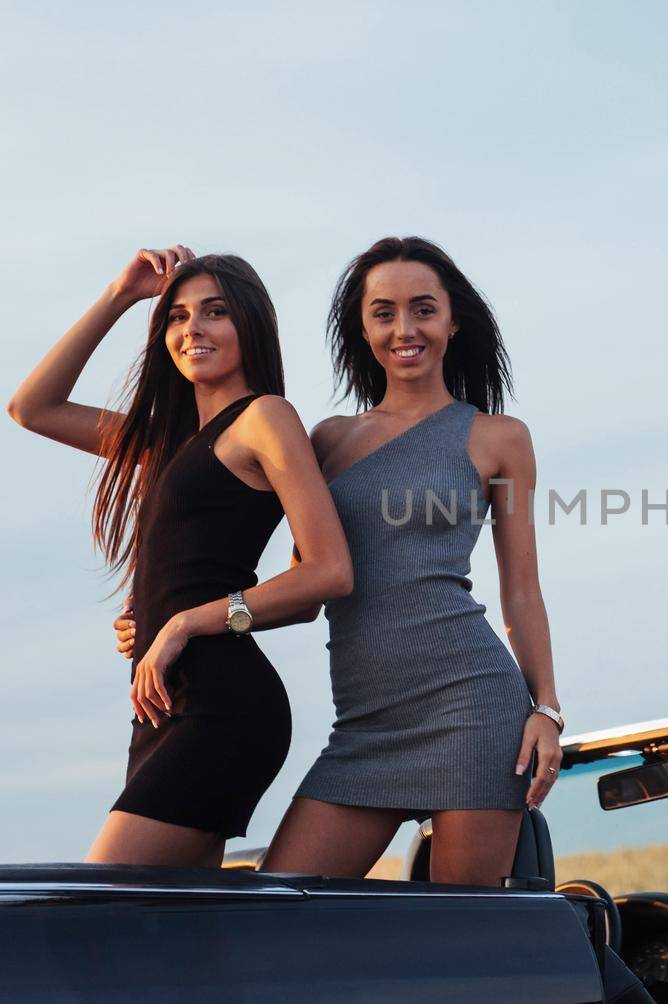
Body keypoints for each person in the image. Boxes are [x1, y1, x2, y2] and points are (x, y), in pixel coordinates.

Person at [118, 237, 565, 885]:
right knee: (275, 918)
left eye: (423, 309)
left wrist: (545, 709)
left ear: (453, 319)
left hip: (473, 710)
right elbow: (306, 593)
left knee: (458, 942)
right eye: (383, 312)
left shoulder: (500, 439)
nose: (404, 329)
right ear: (362, 327)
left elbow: (522, 592)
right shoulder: (326, 440)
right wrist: (187, 618)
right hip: (363, 728)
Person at [10, 246, 352, 868]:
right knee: (173, 938)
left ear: (251, 325)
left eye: (215, 312)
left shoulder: (265, 419)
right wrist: (121, 294)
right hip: (164, 707)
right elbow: (32, 408)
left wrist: (184, 621)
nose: (193, 328)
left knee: (97, 912)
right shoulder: (167, 442)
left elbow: (327, 575)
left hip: (221, 708)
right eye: (178, 316)